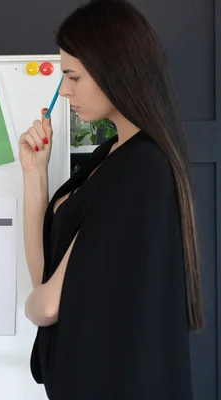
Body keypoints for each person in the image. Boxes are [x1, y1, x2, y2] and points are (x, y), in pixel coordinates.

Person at [18, 1, 204, 399]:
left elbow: (48, 305)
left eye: (72, 76)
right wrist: (34, 175)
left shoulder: (140, 168)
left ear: (114, 71)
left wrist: (32, 308)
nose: (64, 90)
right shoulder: (112, 155)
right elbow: (47, 280)